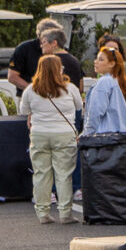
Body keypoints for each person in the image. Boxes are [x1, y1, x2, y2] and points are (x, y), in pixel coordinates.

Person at [18, 45, 83, 224]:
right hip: (64, 134)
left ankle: (43, 213)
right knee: (64, 174)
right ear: (58, 70)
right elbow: (79, 106)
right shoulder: (70, 88)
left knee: (41, 174)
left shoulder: (31, 90)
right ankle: (65, 213)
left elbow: (24, 111)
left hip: (39, 133)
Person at [9, 20, 83, 89]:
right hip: (29, 93)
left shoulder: (62, 53)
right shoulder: (24, 49)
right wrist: (33, 90)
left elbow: (79, 81)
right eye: (54, 33)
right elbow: (12, 76)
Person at [83, 41, 126, 134]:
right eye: (96, 59)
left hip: (104, 134)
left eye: (101, 59)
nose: (95, 62)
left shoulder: (104, 82)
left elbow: (95, 112)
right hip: (122, 134)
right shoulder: (122, 82)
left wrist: (86, 134)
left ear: (112, 64)